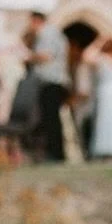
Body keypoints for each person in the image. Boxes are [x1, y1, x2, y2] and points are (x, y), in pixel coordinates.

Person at [25, 10, 70, 161]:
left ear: (35, 21)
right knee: (50, 118)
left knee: (51, 119)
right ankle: (53, 152)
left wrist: (28, 56)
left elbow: (47, 55)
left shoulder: (47, 34)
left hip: (51, 81)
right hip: (52, 81)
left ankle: (55, 154)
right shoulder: (51, 33)